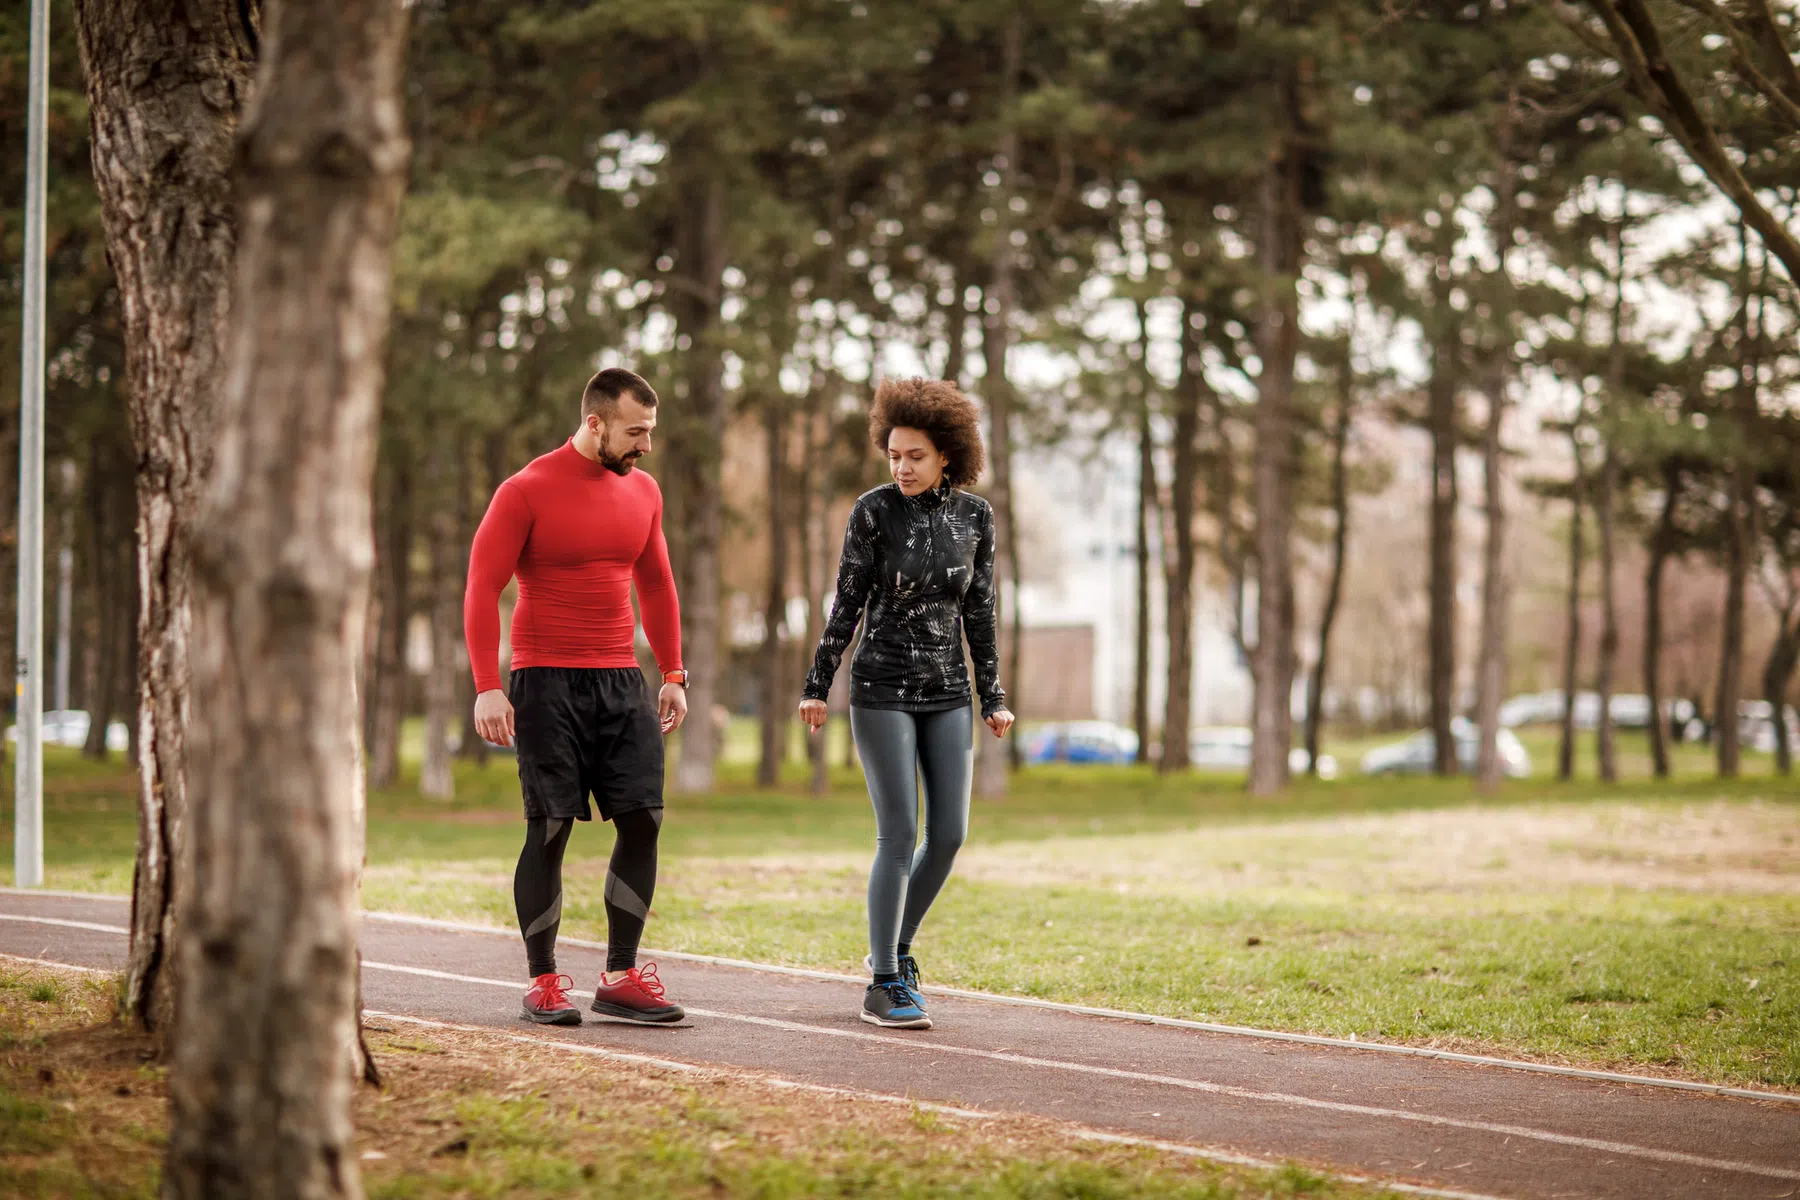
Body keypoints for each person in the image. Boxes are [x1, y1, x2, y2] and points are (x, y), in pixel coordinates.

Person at [464, 367, 691, 1026]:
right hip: (545, 680)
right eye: (635, 431)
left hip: (621, 679)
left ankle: (620, 975)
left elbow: (657, 584)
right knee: (551, 826)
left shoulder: (643, 492)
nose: (646, 445)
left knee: (643, 818)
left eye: (650, 431)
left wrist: (673, 673)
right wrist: (486, 686)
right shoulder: (525, 491)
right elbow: (482, 589)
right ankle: (543, 981)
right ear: (595, 423)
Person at [799, 377, 1014, 1030]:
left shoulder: (976, 517)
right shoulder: (873, 511)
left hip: (948, 692)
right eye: (894, 454)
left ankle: (896, 948)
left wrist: (993, 695)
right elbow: (849, 601)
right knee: (901, 833)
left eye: (914, 455)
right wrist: (817, 683)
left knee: (950, 834)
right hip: (881, 689)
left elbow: (980, 611)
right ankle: (884, 981)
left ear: (947, 453)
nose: (902, 466)